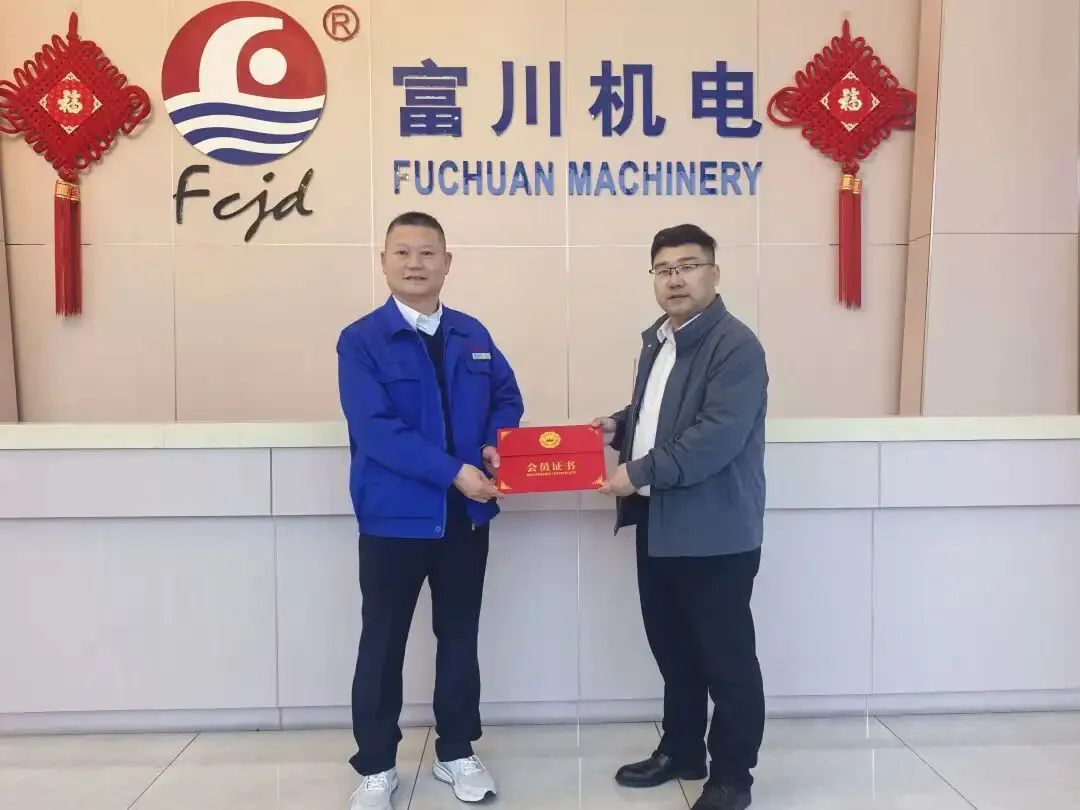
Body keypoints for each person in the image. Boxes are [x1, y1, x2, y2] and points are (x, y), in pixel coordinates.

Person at [336, 211, 524, 810]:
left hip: (465, 520)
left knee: (459, 636)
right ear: (384, 262)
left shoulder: (472, 333)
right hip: (394, 520)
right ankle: (376, 766)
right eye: (402, 252)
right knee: (383, 641)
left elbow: (506, 396)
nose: (415, 263)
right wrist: (452, 472)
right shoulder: (361, 340)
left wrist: (495, 445)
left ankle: (457, 752)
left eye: (427, 253)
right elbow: (376, 430)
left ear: (447, 263)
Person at [592, 223, 769, 810]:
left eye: (689, 266)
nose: (676, 279)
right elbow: (662, 411)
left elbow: (713, 436)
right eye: (664, 269)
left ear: (714, 273)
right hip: (659, 522)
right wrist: (619, 424)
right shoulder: (661, 339)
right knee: (674, 650)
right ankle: (683, 750)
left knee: (727, 661)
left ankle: (732, 778)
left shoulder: (736, 345)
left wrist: (636, 472)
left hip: (714, 532)